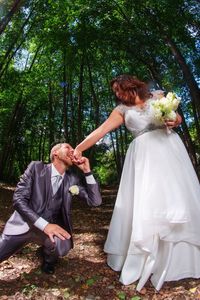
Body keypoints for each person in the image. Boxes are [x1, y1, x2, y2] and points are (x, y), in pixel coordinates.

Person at [73, 74, 200, 291]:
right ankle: (149, 256)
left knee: (175, 198)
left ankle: (183, 258)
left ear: (131, 86)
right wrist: (79, 148)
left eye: (119, 89)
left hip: (169, 150)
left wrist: (175, 120)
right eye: (115, 92)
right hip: (143, 158)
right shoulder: (121, 110)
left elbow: (177, 119)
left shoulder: (157, 96)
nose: (117, 94)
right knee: (150, 201)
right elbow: (101, 130)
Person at [0, 143, 102, 274]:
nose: (73, 151)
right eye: (68, 148)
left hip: (47, 233)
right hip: (23, 225)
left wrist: (87, 171)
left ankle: (47, 260)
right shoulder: (36, 168)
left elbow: (95, 201)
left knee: (62, 243)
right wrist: (45, 225)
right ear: (56, 153)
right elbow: (18, 200)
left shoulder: (72, 179)